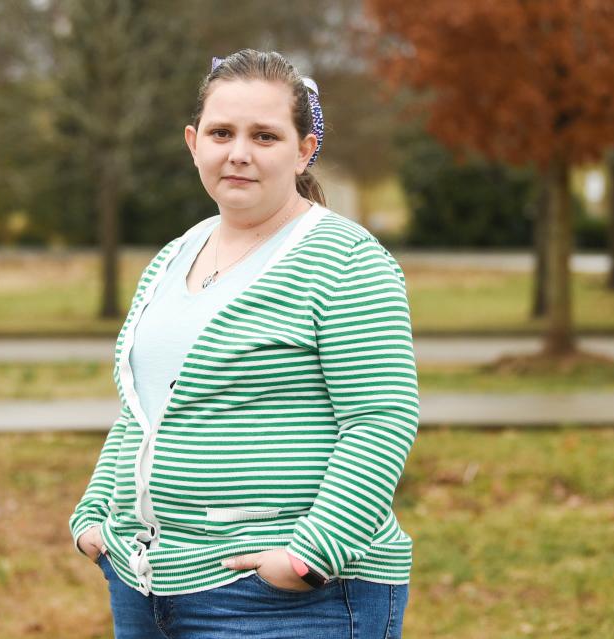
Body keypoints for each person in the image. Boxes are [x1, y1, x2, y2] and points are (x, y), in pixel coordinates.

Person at [69, 48, 421, 639]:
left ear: (304, 149)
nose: (238, 153)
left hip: (286, 602)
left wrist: (308, 561)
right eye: (221, 132)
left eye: (264, 135)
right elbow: (141, 410)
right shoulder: (173, 254)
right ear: (192, 142)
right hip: (146, 585)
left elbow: (380, 419)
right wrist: (94, 517)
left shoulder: (346, 260)